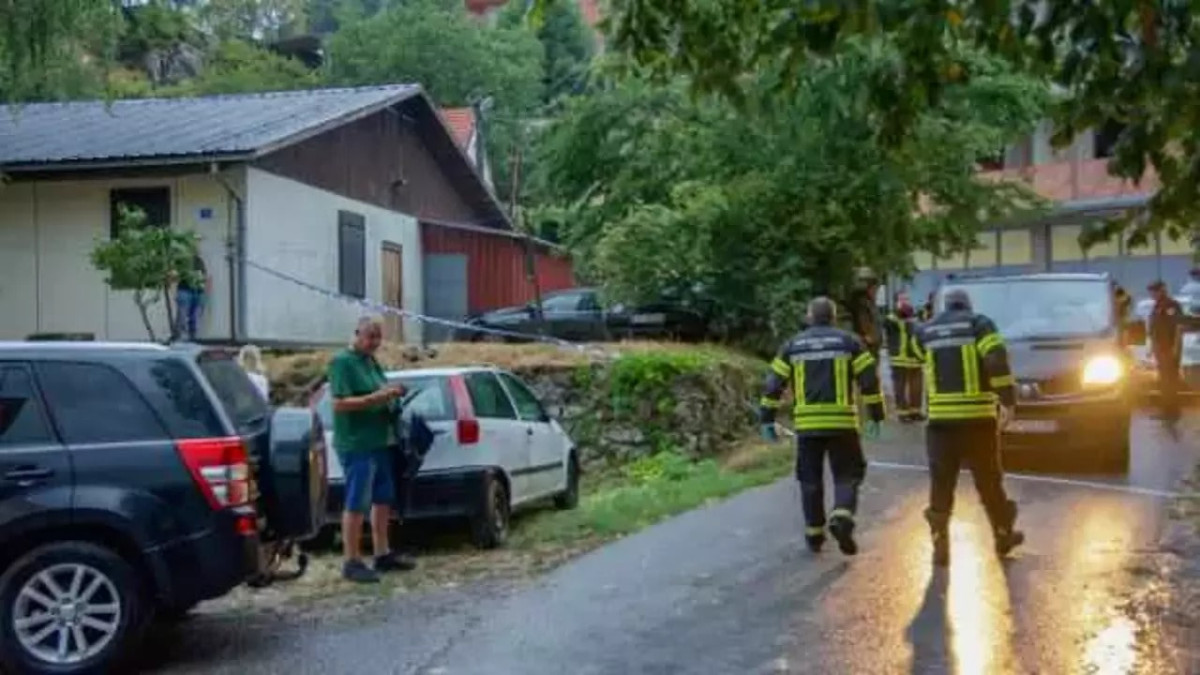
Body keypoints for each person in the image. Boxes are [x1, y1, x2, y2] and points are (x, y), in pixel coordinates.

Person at [759, 297, 885, 556]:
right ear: (834, 317)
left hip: (807, 426)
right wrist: (876, 415)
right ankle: (842, 515)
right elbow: (869, 381)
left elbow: (773, 385)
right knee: (848, 474)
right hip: (842, 424)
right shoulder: (849, 342)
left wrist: (766, 419)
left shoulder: (793, 345)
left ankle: (814, 534)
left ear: (809, 317)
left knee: (810, 479)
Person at [911, 288, 1023, 567]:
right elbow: (996, 361)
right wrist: (1007, 401)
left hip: (940, 423)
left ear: (944, 306)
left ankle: (940, 543)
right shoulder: (980, 324)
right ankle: (1002, 534)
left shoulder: (926, 330)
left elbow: (915, 354)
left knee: (941, 482)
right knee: (989, 482)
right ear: (968, 305)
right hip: (978, 420)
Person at [327, 315, 415, 583]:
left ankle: (382, 553)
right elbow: (339, 403)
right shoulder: (342, 363)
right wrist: (379, 397)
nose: (374, 343)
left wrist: (394, 395)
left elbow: (380, 389)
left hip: (380, 440)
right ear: (357, 334)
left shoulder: (370, 361)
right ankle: (351, 560)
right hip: (357, 442)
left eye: (378, 337)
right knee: (357, 500)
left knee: (382, 498)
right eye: (370, 337)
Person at [884, 292, 924, 422]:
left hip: (914, 355)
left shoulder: (915, 316)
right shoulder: (891, 318)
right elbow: (892, 326)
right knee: (900, 386)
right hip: (898, 357)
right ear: (896, 302)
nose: (905, 301)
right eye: (902, 299)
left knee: (917, 385)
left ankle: (915, 411)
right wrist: (902, 312)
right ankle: (902, 413)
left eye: (907, 298)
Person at [1147, 280, 1184, 420]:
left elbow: (1176, 328)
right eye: (1151, 292)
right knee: (1164, 380)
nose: (1152, 295)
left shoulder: (1171, 305)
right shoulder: (1157, 306)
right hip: (1160, 348)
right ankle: (1166, 410)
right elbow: (1155, 328)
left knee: (1169, 381)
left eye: (1154, 291)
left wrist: (1174, 348)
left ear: (1162, 290)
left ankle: (1172, 411)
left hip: (1168, 348)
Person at [845, 267, 883, 359]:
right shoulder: (863, 304)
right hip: (866, 347)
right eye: (874, 288)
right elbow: (864, 322)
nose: (876, 291)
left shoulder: (867, 303)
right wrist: (869, 337)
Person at [175, 253, 208, 341]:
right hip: (185, 290)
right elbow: (176, 274)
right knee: (183, 316)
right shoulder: (181, 260)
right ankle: (181, 338)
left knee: (195, 318)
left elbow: (204, 276)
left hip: (198, 291)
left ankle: (193, 338)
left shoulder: (199, 260)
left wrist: (203, 287)